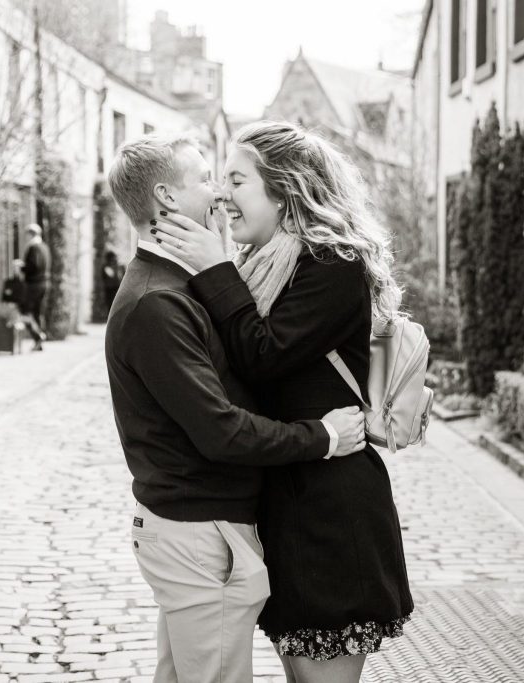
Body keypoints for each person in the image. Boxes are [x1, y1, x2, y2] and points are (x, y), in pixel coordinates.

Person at [151, 121, 414, 683]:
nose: (222, 194)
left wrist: (213, 268)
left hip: (331, 512)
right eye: (220, 179)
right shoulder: (260, 267)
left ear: (286, 190)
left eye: (237, 179)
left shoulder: (333, 265)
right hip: (285, 505)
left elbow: (263, 356)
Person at [104, 133, 368, 683]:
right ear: (166, 198)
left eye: (232, 179)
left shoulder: (187, 286)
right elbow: (221, 429)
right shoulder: (160, 302)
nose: (220, 192)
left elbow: (252, 363)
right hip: (201, 532)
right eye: (206, 178)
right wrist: (321, 436)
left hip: (221, 526)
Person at [19, 223, 50, 350]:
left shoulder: (33, 248)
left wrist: (21, 266)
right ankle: (39, 343)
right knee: (37, 312)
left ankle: (38, 335)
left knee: (24, 311)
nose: (26, 238)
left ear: (31, 234)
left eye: (27, 235)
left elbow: (33, 266)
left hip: (33, 284)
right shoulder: (44, 247)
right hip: (44, 283)